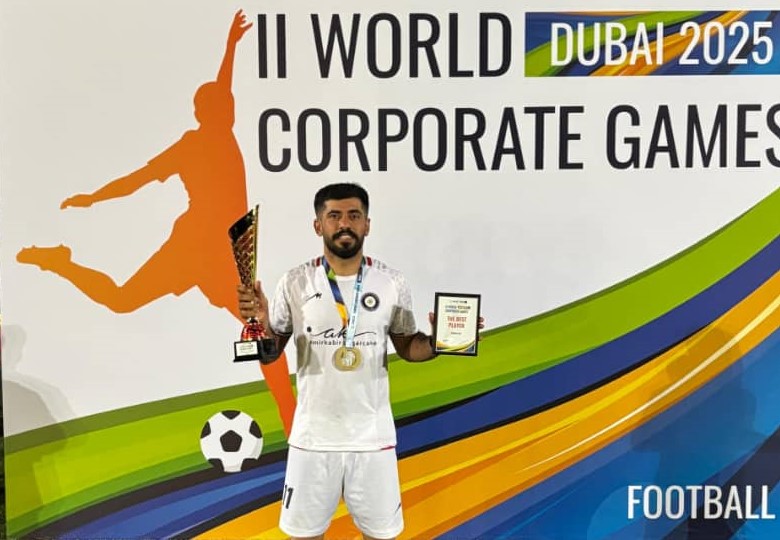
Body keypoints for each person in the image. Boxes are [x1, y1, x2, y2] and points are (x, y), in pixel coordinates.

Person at [15, 10, 296, 434]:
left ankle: (292, 419)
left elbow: (223, 87)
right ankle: (60, 262)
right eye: (220, 106)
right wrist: (93, 198)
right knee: (122, 300)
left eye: (228, 106)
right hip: (191, 248)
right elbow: (137, 180)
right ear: (202, 113)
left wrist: (230, 47)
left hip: (224, 252)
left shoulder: (224, 129)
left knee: (260, 332)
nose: (228, 108)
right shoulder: (191, 145)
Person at [238, 182, 482, 540]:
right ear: (318, 225)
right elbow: (272, 352)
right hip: (312, 440)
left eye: (354, 215)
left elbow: (408, 347)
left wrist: (439, 341)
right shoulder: (295, 282)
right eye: (334, 216)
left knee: (381, 536)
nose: (344, 224)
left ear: (367, 224)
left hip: (372, 440)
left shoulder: (391, 282)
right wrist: (260, 322)